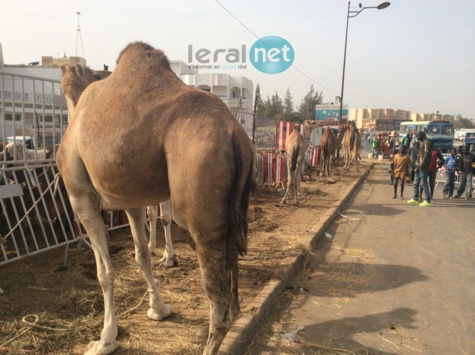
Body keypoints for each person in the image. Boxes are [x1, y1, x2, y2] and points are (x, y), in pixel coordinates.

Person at [407, 131, 432, 207]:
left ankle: (428, 200)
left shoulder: (426, 142)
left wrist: (422, 164)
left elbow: (427, 154)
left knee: (424, 182)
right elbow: (420, 154)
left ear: (422, 135)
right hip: (418, 165)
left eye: (418, 136)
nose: (417, 138)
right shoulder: (421, 143)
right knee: (415, 182)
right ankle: (415, 198)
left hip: (423, 166)